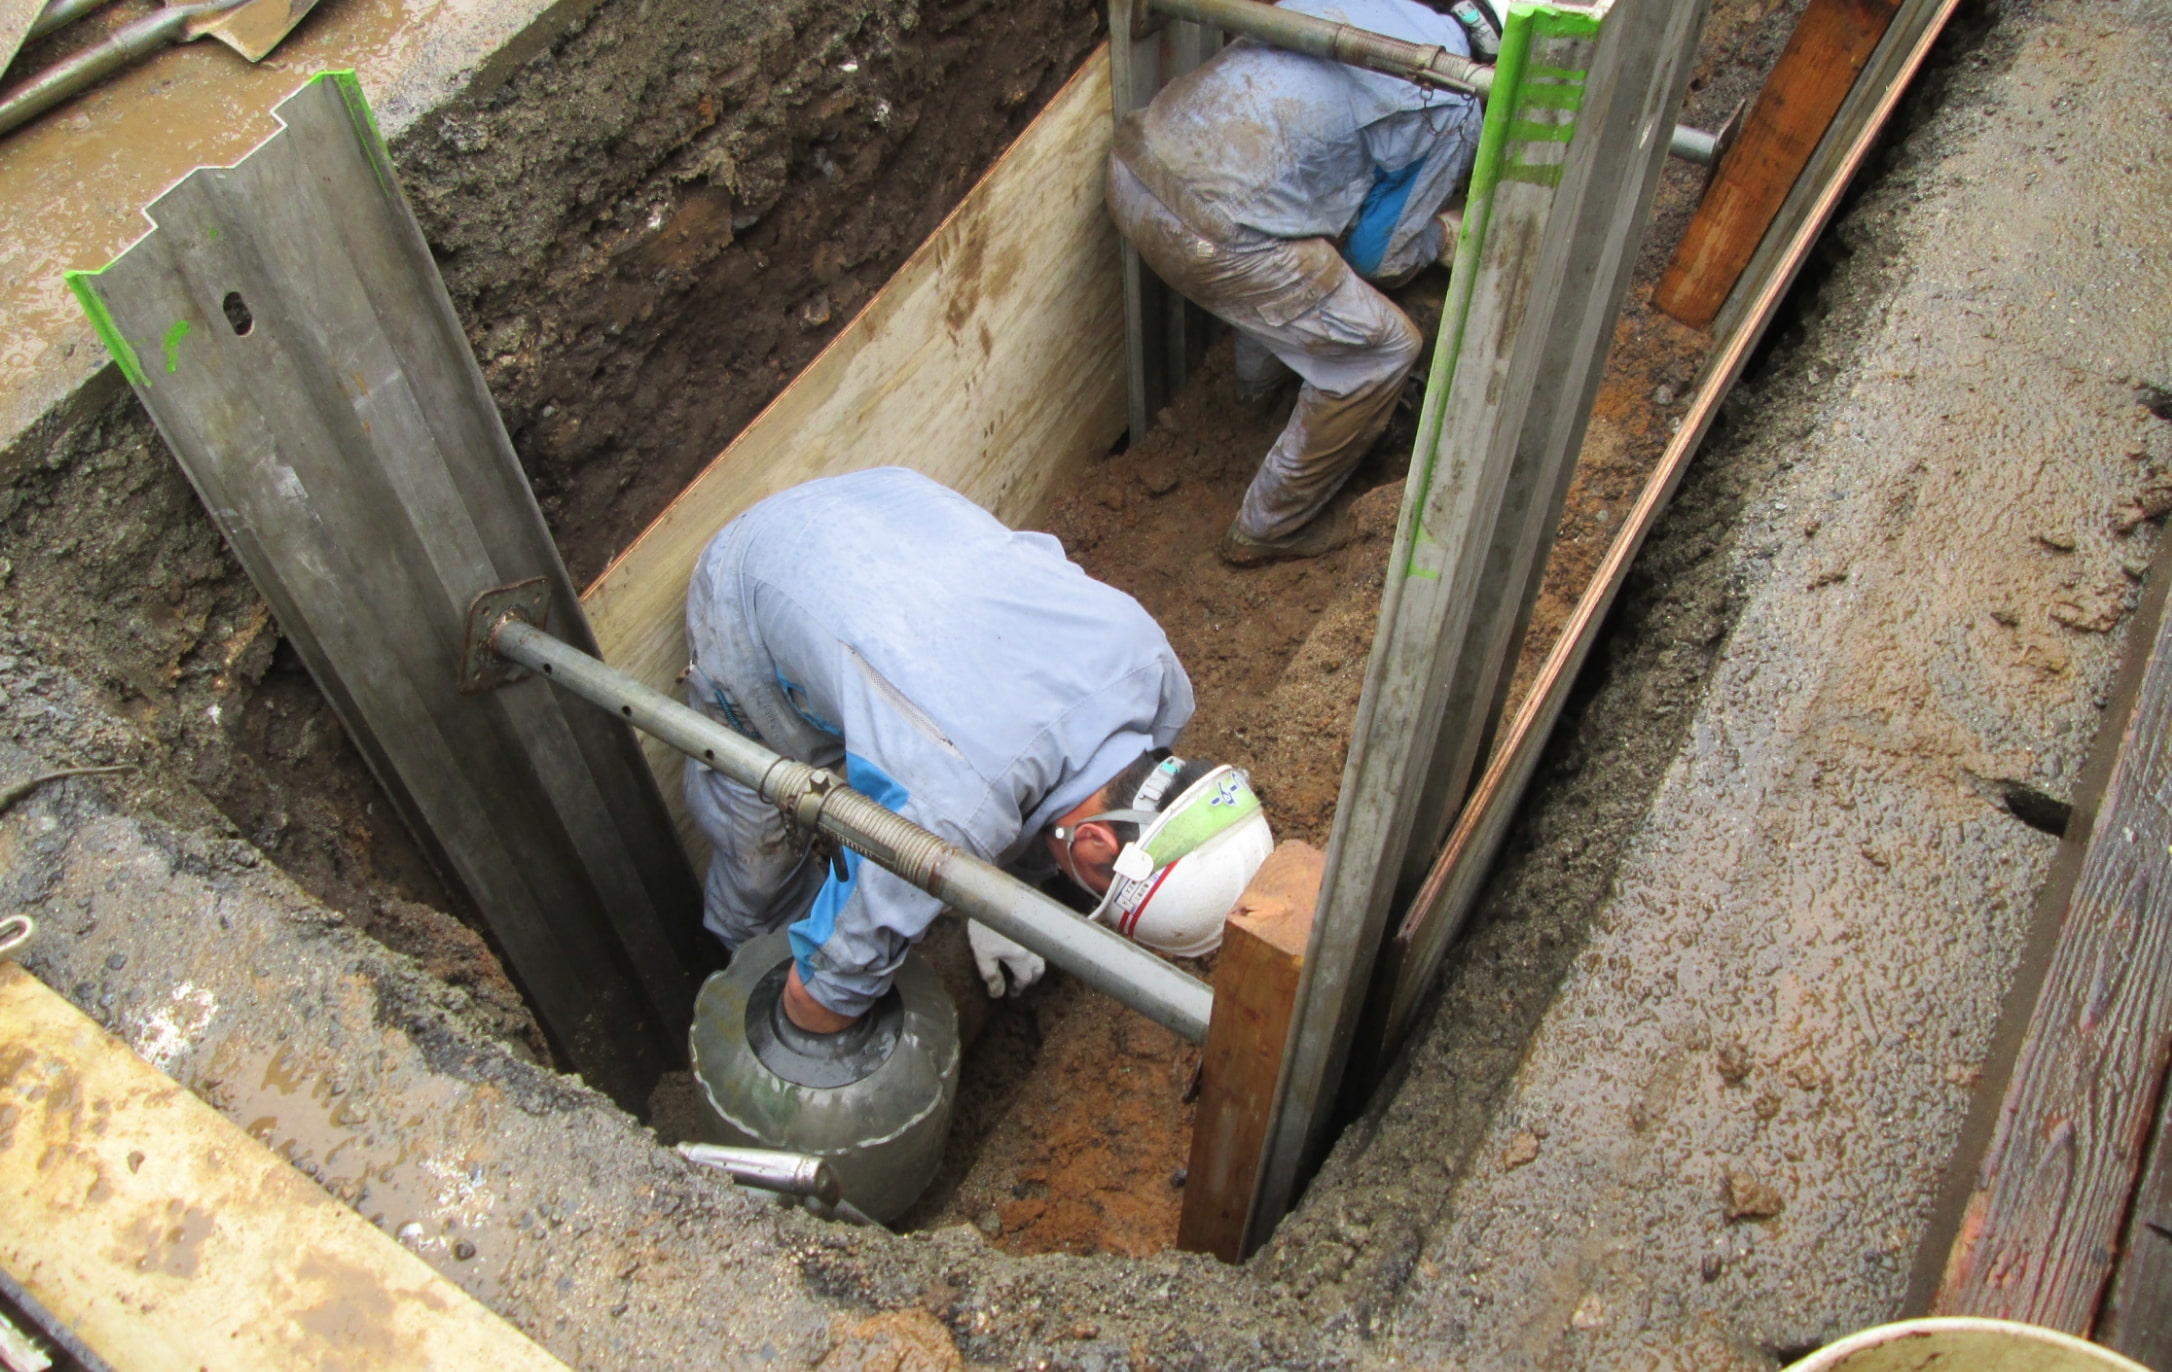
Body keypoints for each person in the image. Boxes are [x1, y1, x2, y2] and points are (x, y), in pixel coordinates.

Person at [682, 468, 1275, 1032]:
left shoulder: (1156, 670)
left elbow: (1021, 785)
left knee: (902, 736)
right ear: (1094, 842)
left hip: (888, 502)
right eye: (1097, 888)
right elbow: (824, 992)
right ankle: (744, 958)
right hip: (755, 580)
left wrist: (995, 898)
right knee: (762, 839)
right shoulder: (950, 808)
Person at [1106, 0, 1486, 565]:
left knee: (1292, 233)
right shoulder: (1456, 103)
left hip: (1131, 166)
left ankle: (1254, 399)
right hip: (1215, 239)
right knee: (1383, 349)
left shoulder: (1374, 6)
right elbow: (1381, 256)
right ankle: (1269, 528)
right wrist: (1441, 235)